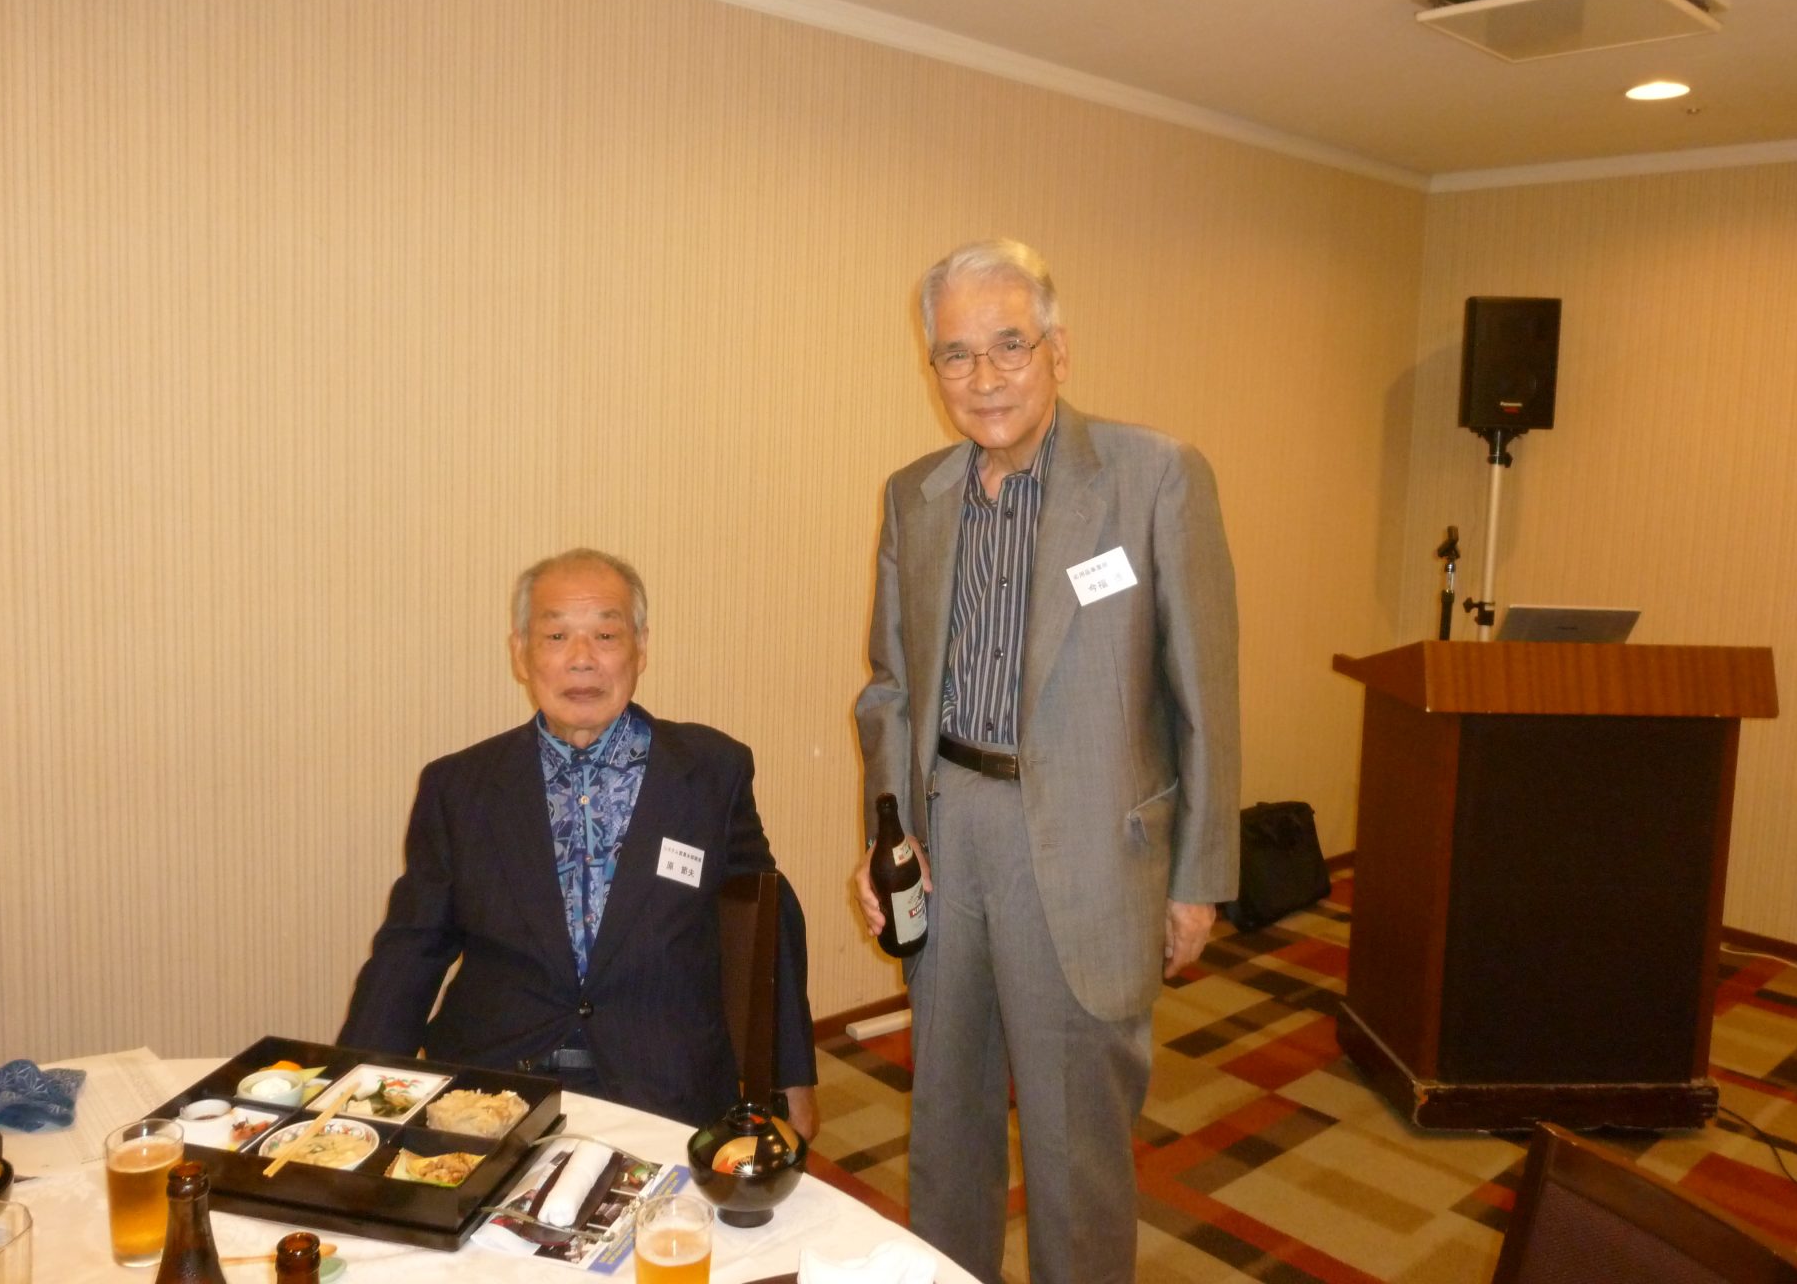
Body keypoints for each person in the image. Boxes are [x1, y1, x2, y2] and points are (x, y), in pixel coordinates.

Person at [852, 240, 1239, 1283]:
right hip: (951, 839)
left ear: (1058, 351)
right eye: (956, 354)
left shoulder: (1153, 477)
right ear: (932, 367)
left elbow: (1206, 692)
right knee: (947, 1130)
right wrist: (890, 840)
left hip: (1087, 852)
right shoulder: (915, 496)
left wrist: (1198, 878)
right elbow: (890, 689)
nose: (983, 377)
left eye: (1009, 346)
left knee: (1077, 1155)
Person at [341, 548, 818, 1136]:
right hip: (493, 1087)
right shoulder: (459, 787)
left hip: (665, 1083)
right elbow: (411, 947)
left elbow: (766, 920)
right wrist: (354, 1084)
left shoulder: (711, 771)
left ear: (641, 647)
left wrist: (790, 1081)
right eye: (556, 635)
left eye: (606, 635)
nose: (582, 659)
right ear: (521, 652)